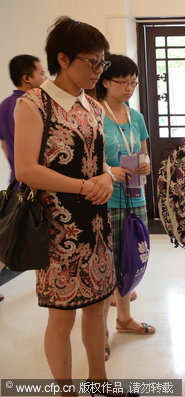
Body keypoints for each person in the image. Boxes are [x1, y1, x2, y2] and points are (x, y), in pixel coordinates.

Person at [13, 17, 136, 396]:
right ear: (63, 59)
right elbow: (27, 170)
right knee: (62, 316)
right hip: (57, 230)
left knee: (97, 307)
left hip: (95, 224)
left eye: (103, 63)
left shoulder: (93, 106)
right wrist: (86, 185)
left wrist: (104, 176)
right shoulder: (34, 104)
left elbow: (97, 160)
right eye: (93, 62)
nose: (99, 70)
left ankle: (99, 383)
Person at [96, 54, 155, 361]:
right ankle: (102, 333)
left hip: (135, 196)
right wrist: (109, 170)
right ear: (105, 81)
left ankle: (124, 319)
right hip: (106, 201)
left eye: (133, 82)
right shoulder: (95, 114)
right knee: (107, 267)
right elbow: (90, 162)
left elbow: (144, 155)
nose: (129, 87)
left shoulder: (136, 117)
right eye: (123, 81)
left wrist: (144, 165)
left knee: (131, 259)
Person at [0, 54, 46, 185]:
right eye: (42, 73)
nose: (46, 78)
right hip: (36, 184)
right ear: (27, 78)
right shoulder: (33, 105)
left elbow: (4, 146)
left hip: (14, 183)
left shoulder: (3, 105)